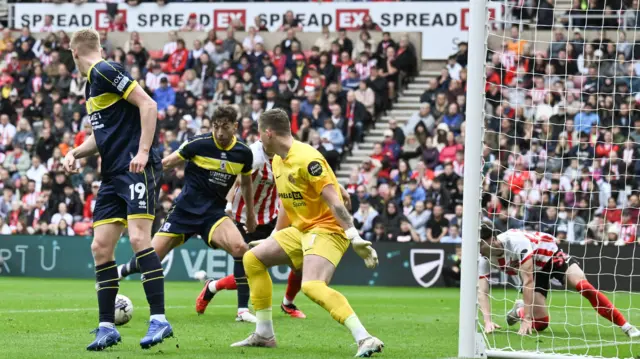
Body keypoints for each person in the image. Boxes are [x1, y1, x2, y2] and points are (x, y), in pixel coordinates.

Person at [231, 109, 383, 357]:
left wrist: (353, 236)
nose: (259, 141)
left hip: (328, 229)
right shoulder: (278, 160)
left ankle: (365, 337)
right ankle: (264, 334)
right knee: (253, 258)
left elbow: (336, 201)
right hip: (301, 230)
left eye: (260, 134)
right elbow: (287, 202)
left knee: (312, 285)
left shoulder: (308, 159)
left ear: (269, 133)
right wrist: (274, 236)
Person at [64, 28, 170, 351]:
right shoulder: (91, 84)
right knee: (100, 247)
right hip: (112, 173)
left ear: (75, 53)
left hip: (137, 166)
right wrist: (75, 152)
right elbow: (102, 136)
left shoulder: (105, 70)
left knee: (139, 238)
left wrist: (142, 151)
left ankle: (160, 320)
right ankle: (107, 327)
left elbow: (148, 105)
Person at [118, 105, 257, 324]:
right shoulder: (197, 144)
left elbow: (247, 185)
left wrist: (250, 214)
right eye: (216, 127)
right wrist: (138, 181)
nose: (220, 132)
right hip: (184, 211)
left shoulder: (243, 153)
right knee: (151, 258)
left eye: (225, 127)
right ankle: (124, 269)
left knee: (241, 248)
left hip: (213, 214)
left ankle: (242, 311)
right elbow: (165, 164)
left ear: (235, 127)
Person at [203, 138, 310, 320]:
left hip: (271, 216)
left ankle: (287, 303)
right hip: (244, 216)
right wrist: (228, 204)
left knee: (299, 262)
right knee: (250, 268)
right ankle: (218, 291)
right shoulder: (254, 155)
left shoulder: (288, 154)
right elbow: (237, 179)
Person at [478, 223, 640, 337]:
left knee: (585, 287)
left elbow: (527, 281)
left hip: (551, 257)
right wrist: (487, 322)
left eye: (480, 244)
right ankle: (520, 310)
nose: (478, 249)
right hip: (535, 270)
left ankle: (625, 325)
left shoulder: (515, 242)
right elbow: (482, 291)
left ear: (492, 239)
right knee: (541, 324)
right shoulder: (483, 258)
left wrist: (528, 319)